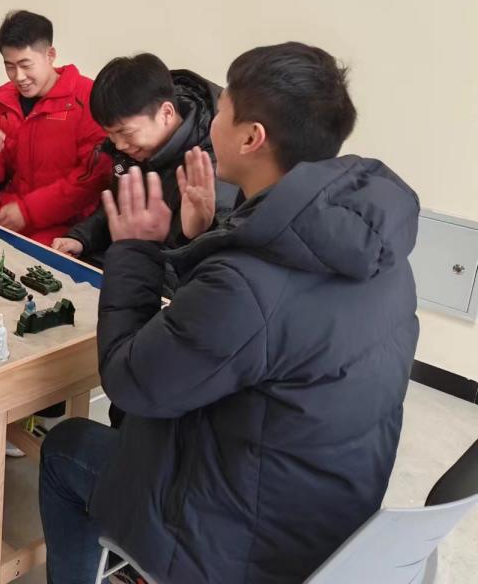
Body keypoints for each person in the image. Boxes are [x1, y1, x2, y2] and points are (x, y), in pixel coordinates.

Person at [39, 42, 420, 583]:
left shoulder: (248, 281)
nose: (210, 115)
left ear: (251, 137)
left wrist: (136, 249)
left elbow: (129, 382)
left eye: (221, 107)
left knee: (66, 447)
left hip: (247, 544)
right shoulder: (375, 249)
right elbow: (246, 339)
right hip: (332, 525)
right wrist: (203, 238)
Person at [52, 53, 240, 266]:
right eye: (110, 134)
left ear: (166, 113)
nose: (119, 145)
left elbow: (197, 262)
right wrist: (80, 238)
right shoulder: (136, 149)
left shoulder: (209, 168)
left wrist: (192, 233)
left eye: (125, 132)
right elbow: (120, 207)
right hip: (125, 262)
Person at [0, 10, 110, 245]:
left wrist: (29, 211)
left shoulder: (87, 99)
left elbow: (90, 181)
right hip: (9, 214)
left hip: (64, 224)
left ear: (50, 55)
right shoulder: (3, 103)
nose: (19, 77)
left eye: (25, 65)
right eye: (10, 66)